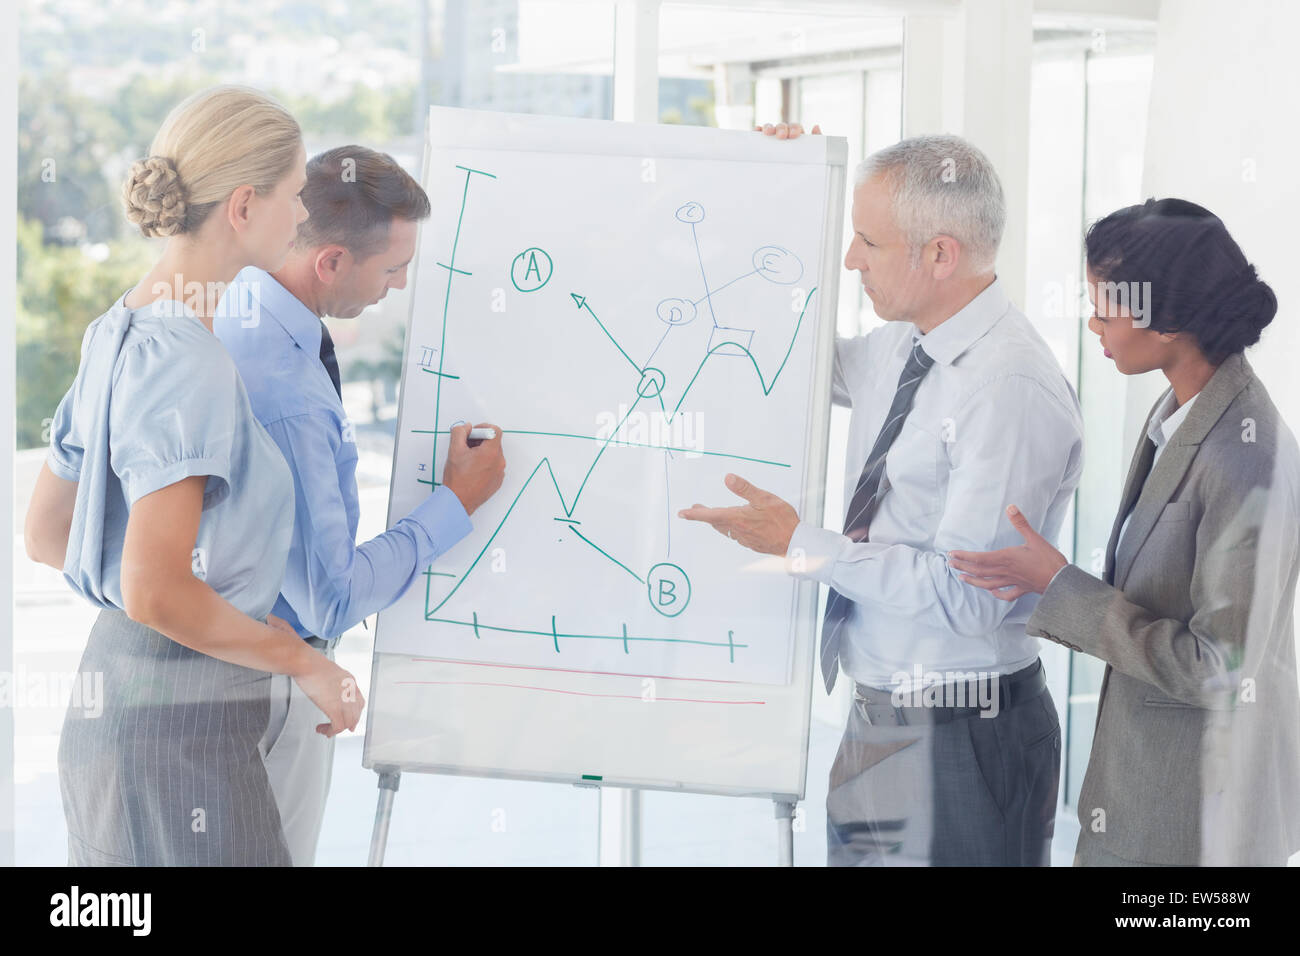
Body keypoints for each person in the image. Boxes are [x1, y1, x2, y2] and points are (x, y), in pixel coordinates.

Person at [681, 126, 1083, 866]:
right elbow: (786, 353)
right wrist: (775, 192)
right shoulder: (905, 343)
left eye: (869, 242)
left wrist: (799, 545)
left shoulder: (1008, 389)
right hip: (877, 716)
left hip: (963, 731)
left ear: (940, 254)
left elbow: (970, 597)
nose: (849, 260)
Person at [23, 85, 363, 866]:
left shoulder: (119, 329)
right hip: (182, 726)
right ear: (244, 207)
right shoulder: (191, 364)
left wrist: (181, 608)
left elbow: (46, 534)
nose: (302, 215)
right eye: (294, 193)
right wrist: (304, 658)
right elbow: (156, 591)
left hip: (113, 701)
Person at [949, 198, 1300, 866]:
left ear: (1166, 320)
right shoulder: (1177, 414)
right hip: (1148, 795)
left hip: (1197, 823)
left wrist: (1058, 585)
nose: (1091, 325)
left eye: (1104, 310)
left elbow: (1219, 670)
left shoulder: (1244, 456)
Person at [213, 146, 506, 866]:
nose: (401, 285)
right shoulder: (287, 392)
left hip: (244, 668)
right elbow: (328, 598)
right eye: (393, 269)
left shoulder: (243, 302)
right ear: (332, 262)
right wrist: (455, 504)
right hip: (272, 687)